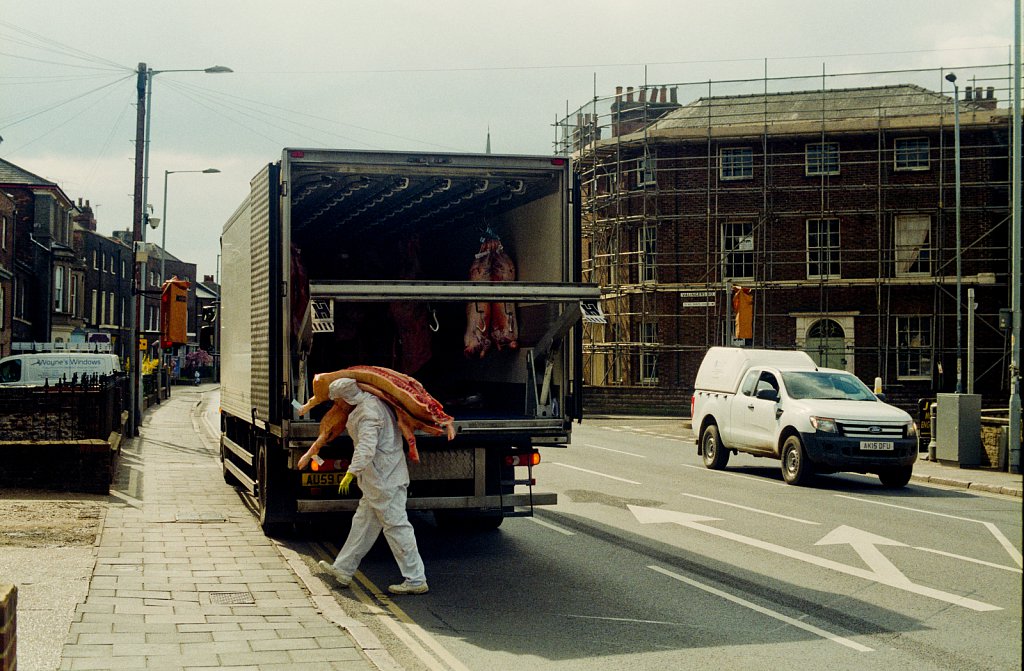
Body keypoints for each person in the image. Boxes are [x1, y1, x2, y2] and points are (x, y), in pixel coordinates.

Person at [298, 377, 428, 595]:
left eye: (338, 401)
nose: (336, 405)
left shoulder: (368, 413)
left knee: (396, 526)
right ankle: (343, 569)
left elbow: (366, 449)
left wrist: (351, 472)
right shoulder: (369, 404)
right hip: (377, 480)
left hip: (384, 480)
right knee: (363, 525)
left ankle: (415, 579)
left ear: (346, 398)